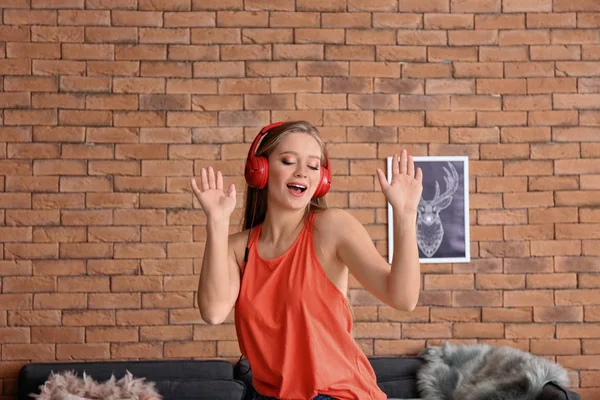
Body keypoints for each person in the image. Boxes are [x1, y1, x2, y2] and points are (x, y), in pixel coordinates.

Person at [191, 121, 423, 400]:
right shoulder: (237, 248)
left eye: (313, 166)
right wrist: (216, 222)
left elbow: (403, 298)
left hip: (338, 395)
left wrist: (406, 215)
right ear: (260, 171)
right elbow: (213, 312)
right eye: (288, 161)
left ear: (322, 181)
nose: (302, 172)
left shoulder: (332, 227)